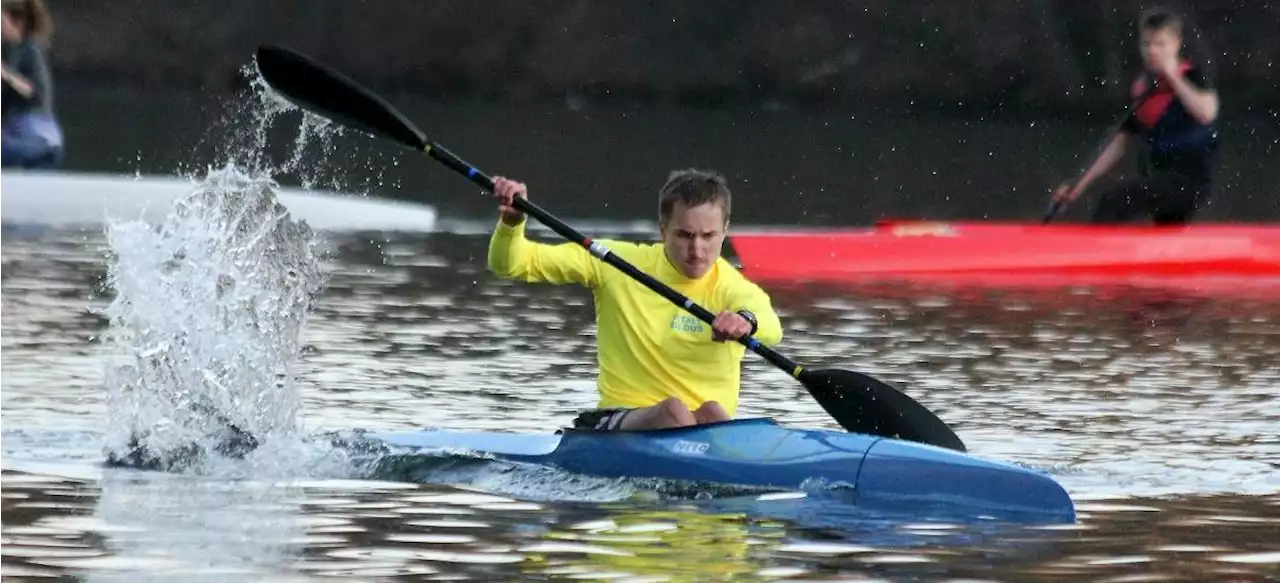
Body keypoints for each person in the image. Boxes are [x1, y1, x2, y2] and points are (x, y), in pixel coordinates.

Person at [487, 169, 783, 431]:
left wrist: (745, 321)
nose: (697, 250)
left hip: (707, 432)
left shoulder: (731, 286)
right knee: (674, 411)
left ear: (725, 231)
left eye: (708, 236)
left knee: (713, 412)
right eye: (685, 235)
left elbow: (770, 326)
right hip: (619, 421)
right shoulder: (615, 262)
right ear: (662, 230)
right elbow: (512, 264)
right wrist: (512, 223)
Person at [1051, 8, 1219, 225]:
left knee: (1112, 202)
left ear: (1176, 44)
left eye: (1160, 44)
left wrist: (1172, 77)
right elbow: (1116, 144)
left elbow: (1207, 113)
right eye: (1147, 44)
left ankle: (1099, 255)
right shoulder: (1142, 88)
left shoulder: (1193, 76)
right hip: (1161, 180)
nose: (1152, 51)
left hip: (1192, 182)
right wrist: (1078, 185)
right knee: (1158, 225)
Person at [0, 0, 63, 169]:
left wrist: (7, 76)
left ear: (18, 23)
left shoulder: (30, 50)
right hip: (20, 136)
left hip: (39, 138)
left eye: (1, 22)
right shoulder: (8, 53)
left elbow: (33, 91)